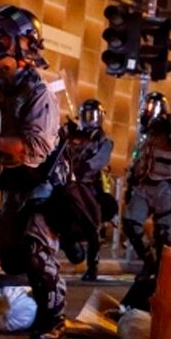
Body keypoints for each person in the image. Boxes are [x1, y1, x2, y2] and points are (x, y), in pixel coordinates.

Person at [0, 4, 68, 339]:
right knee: (5, 246)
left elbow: (33, 147)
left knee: (36, 248)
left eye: (1, 37)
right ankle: (28, 299)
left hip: (43, 186)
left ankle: (53, 317)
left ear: (23, 45)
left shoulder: (39, 94)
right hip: (14, 185)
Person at [122, 92, 171, 278]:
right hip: (144, 186)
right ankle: (149, 260)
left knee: (163, 233)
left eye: (153, 106)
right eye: (148, 106)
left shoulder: (170, 127)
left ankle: (162, 270)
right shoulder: (144, 134)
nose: (149, 110)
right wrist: (130, 183)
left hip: (163, 188)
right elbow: (138, 160)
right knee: (131, 224)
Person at [63, 98, 114, 281]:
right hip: (70, 185)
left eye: (93, 116)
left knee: (92, 225)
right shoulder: (77, 137)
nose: (89, 120)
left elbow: (101, 159)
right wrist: (66, 134)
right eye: (86, 116)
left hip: (90, 187)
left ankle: (93, 266)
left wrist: (86, 166)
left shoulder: (104, 141)